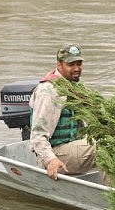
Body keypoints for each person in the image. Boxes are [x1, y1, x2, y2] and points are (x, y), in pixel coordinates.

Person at [29, 44, 98, 181]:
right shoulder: (48, 92)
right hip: (54, 155)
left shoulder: (76, 87)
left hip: (73, 147)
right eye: (71, 64)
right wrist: (50, 160)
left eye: (79, 63)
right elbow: (37, 136)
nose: (77, 68)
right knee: (104, 147)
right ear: (59, 65)